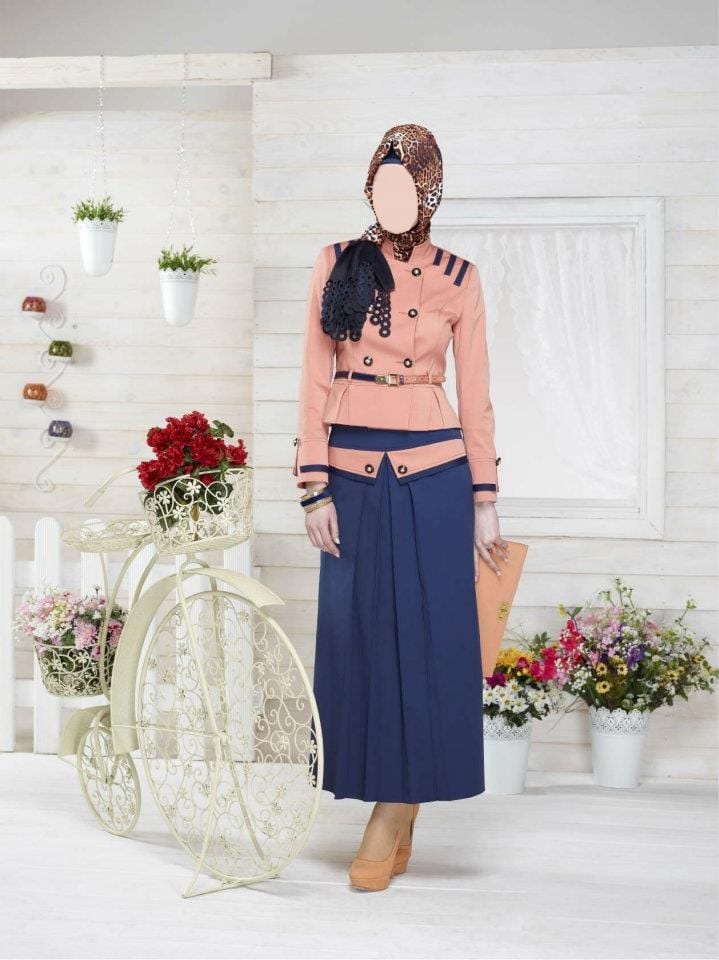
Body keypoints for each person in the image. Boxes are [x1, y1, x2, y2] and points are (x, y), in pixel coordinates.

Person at [293, 123, 509, 892]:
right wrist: (312, 485)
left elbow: (475, 395)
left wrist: (484, 499)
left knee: (430, 641)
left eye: (406, 186)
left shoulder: (459, 277)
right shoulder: (336, 263)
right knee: (357, 637)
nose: (392, 199)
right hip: (348, 473)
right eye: (380, 183)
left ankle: (394, 808)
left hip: (435, 475)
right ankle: (389, 796)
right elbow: (312, 378)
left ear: (429, 194)